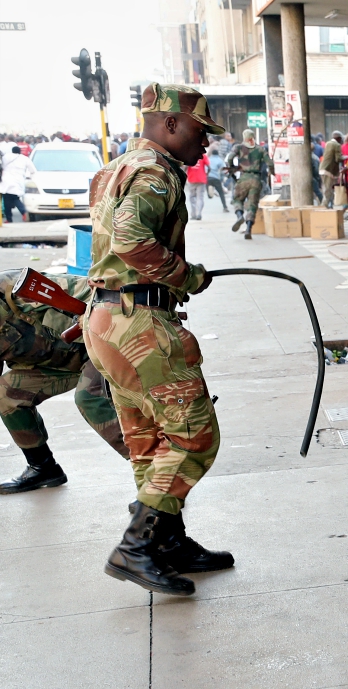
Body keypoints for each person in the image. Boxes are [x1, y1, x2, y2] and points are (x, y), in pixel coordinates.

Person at [84, 82, 232, 597]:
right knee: (194, 437)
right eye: (199, 130)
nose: (205, 143)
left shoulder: (116, 168)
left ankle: (167, 541)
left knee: (150, 441)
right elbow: (129, 241)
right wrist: (185, 275)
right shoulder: (154, 173)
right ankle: (136, 547)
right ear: (170, 123)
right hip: (139, 324)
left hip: (108, 318)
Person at [0, 271, 130, 494]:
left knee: (89, 398)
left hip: (100, 348)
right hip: (58, 365)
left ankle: (156, 478)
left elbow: (103, 295)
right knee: (6, 395)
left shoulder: (20, 287)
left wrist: (87, 321)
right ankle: (43, 468)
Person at [226, 129, 274, 239]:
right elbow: (270, 163)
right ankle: (248, 230)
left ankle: (239, 216)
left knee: (237, 199)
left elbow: (229, 158)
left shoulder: (238, 147)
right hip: (256, 179)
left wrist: (231, 169)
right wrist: (272, 173)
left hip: (243, 178)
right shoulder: (260, 149)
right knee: (252, 205)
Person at [0, 146, 36, 223]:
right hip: (18, 181)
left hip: (6, 181)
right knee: (15, 198)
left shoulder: (6, 157)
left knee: (7, 202)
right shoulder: (25, 158)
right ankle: (23, 212)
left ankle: (9, 219)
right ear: (20, 151)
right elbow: (32, 170)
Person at [319, 131, 343, 208]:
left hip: (323, 169)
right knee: (328, 190)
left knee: (328, 189)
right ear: (338, 138)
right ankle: (324, 207)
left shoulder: (328, 143)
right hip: (328, 171)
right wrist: (346, 157)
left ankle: (329, 206)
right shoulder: (337, 145)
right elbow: (338, 158)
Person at [185, 154, 209, 220]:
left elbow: (185, 167)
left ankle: (193, 215)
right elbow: (209, 167)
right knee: (200, 197)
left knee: (192, 197)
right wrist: (207, 174)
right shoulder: (203, 155)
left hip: (192, 179)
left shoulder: (189, 155)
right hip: (201, 179)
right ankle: (199, 213)